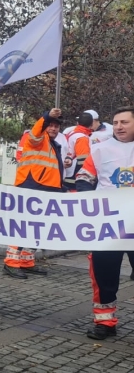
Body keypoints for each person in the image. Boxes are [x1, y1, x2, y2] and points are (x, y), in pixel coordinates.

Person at [77, 106, 134, 340]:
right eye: (116, 122)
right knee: (103, 275)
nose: (119, 126)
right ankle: (105, 322)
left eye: (125, 122)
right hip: (108, 226)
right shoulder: (100, 149)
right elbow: (83, 179)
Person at [3, 108, 65, 279]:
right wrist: (46, 117)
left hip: (47, 189)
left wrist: (61, 189)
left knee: (37, 229)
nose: (53, 129)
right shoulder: (36, 138)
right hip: (32, 186)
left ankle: (26, 261)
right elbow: (36, 131)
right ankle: (11, 262)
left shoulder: (53, 144)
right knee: (23, 227)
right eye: (50, 125)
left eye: (56, 126)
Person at [64, 112, 93, 191]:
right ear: (91, 125)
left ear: (77, 123)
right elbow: (83, 162)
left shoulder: (72, 133)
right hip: (74, 177)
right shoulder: (82, 138)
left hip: (68, 171)